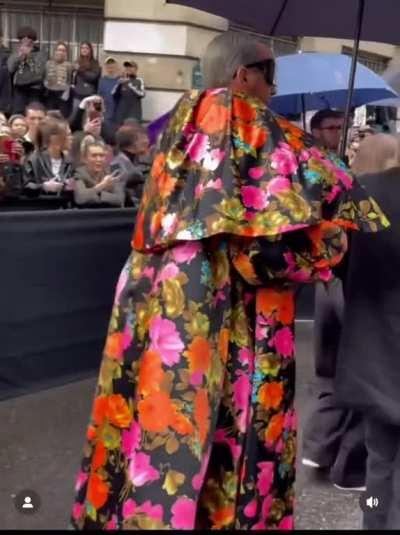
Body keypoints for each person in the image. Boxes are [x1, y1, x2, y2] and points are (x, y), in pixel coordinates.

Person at [70, 31, 388, 531]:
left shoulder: (176, 128)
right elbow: (270, 247)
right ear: (244, 74)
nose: (273, 88)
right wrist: (331, 239)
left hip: (152, 298)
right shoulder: (251, 123)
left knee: (151, 417)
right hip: (224, 308)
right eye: (270, 75)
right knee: (228, 429)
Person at [334, 134, 400, 530]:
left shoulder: (358, 195)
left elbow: (333, 261)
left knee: (379, 463)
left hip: (372, 351)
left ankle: (374, 519)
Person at [302, 108, 367, 491]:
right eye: (331, 127)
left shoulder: (340, 166)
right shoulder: (312, 165)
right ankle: (329, 449)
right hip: (331, 273)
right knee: (338, 361)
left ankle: (322, 446)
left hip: (339, 271)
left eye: (341, 128)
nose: (337, 132)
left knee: (338, 364)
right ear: (316, 130)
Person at [23, 119, 73, 198]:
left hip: (65, 207)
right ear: (55, 138)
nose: (71, 138)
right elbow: (26, 186)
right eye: (68, 135)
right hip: (42, 207)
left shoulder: (70, 161)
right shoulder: (34, 160)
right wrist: (43, 187)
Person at [73, 140, 124, 208]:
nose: (98, 159)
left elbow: (119, 199)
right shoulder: (79, 173)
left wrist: (98, 194)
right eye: (94, 156)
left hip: (110, 214)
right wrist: (102, 185)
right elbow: (81, 198)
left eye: (101, 155)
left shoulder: (112, 172)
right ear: (84, 159)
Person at [7, 26, 46, 114]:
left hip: (34, 89)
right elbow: (10, 68)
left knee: (34, 112)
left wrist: (29, 57)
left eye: (29, 40)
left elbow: (39, 72)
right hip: (19, 88)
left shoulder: (40, 54)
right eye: (22, 40)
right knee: (18, 112)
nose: (26, 42)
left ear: (33, 41)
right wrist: (20, 55)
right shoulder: (15, 54)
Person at [111, 125, 150, 207]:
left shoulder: (138, 162)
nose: (146, 141)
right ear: (133, 142)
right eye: (142, 138)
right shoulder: (117, 164)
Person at [44, 41, 74, 118]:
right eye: (59, 50)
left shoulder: (69, 65)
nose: (61, 52)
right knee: (50, 116)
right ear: (55, 51)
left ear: (66, 53)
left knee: (62, 116)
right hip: (50, 93)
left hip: (63, 94)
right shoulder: (48, 64)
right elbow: (44, 77)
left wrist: (67, 91)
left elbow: (70, 80)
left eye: (63, 50)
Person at [112, 59, 145, 125]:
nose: (128, 68)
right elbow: (113, 94)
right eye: (127, 67)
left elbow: (142, 94)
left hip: (134, 115)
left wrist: (130, 84)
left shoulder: (139, 81)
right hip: (121, 115)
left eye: (130, 67)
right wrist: (119, 84)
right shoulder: (121, 80)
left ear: (135, 69)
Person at [72, 42, 101, 111]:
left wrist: (80, 70)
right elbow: (73, 77)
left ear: (90, 50)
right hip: (77, 95)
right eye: (82, 48)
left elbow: (93, 77)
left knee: (88, 117)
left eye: (86, 48)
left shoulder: (95, 63)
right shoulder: (77, 61)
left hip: (89, 95)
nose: (84, 50)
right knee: (76, 116)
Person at [98, 56, 120, 123]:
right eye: (108, 65)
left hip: (118, 114)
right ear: (105, 67)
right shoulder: (102, 80)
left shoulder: (120, 81)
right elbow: (99, 97)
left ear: (116, 66)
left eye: (112, 64)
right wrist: (100, 112)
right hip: (106, 114)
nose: (110, 67)